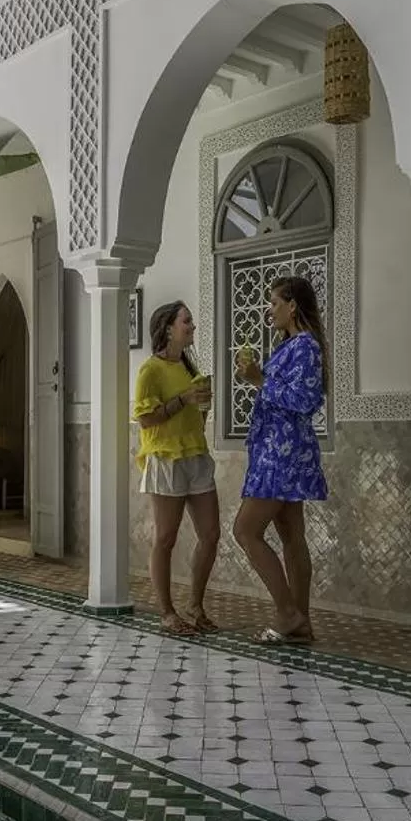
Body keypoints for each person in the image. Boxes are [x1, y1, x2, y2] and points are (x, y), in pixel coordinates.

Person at [234, 276, 327, 644]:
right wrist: (259, 377)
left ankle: (287, 613)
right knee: (291, 536)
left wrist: (260, 380)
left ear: (293, 306)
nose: (268, 309)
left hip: (282, 455)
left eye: (274, 302)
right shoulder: (291, 345)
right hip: (280, 451)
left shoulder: (305, 346)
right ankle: (300, 622)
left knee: (245, 530)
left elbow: (305, 401)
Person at [133, 301, 221, 635]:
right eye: (187, 321)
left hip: (195, 455)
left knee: (210, 535)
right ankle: (167, 613)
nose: (193, 326)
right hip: (165, 458)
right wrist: (181, 401)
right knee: (166, 537)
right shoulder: (150, 370)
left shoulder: (188, 367)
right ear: (169, 328)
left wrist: (203, 405)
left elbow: (196, 419)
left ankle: (195, 606)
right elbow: (145, 419)